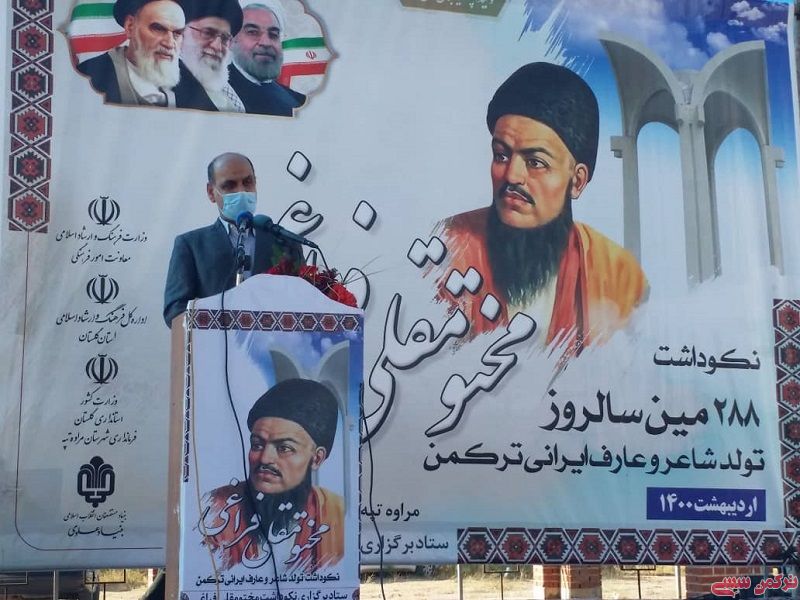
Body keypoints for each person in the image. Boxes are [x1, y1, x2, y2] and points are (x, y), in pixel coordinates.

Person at [433, 62, 647, 353]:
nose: (512, 176)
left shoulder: (617, 276)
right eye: (501, 155)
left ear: (577, 181)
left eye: (535, 162)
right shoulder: (446, 247)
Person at [200, 378, 345, 572]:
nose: (265, 458)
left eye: (284, 448)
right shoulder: (213, 510)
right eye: (257, 444)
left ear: (317, 458)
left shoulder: (337, 515)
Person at [162, 152, 303, 326]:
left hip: (273, 341)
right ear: (211, 192)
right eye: (229, 185)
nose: (241, 191)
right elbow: (175, 310)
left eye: (247, 182)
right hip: (215, 342)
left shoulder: (286, 242)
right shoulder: (191, 245)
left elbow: (303, 301)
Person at [77, 0, 187, 107]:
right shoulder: (90, 75)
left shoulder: (190, 82)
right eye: (158, 29)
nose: (169, 43)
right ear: (130, 26)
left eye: (177, 33)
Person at [228, 3, 307, 116]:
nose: (266, 43)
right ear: (230, 40)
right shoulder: (215, 93)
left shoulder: (297, 100)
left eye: (273, 34)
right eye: (252, 32)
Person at [174, 0, 246, 112]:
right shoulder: (165, 83)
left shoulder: (230, 88)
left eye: (225, 38)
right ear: (181, 32)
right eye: (207, 33)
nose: (217, 46)